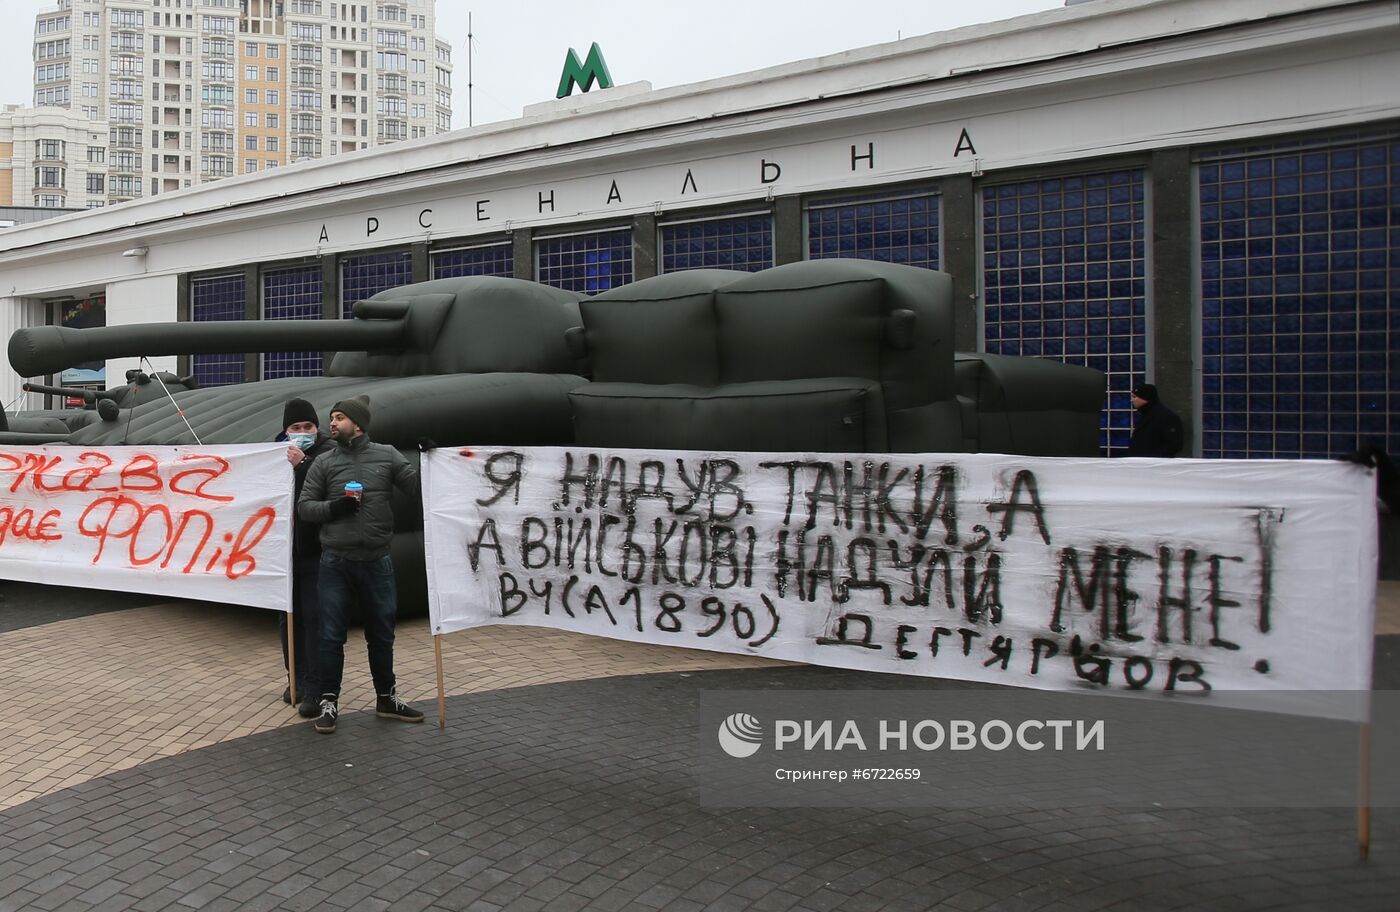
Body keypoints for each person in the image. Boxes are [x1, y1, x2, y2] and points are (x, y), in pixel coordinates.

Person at [297, 395, 424, 734]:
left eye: (339, 417)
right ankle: (329, 703)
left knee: (382, 636)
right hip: (335, 563)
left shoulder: (388, 455)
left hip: (377, 561)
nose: (333, 424)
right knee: (330, 637)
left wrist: (431, 457)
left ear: (359, 423)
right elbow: (305, 507)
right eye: (331, 418)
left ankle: (386, 698)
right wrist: (334, 509)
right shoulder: (324, 462)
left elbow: (417, 487)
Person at [278, 397, 333, 718]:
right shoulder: (273, 453)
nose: (301, 432)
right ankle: (295, 678)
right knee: (289, 620)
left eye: (307, 427)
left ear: (316, 427)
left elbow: (327, 485)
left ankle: (316, 686)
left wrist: (302, 466)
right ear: (285, 430)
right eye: (295, 427)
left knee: (315, 620)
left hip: (315, 551)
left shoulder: (327, 453)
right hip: (282, 555)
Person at [1126, 382, 1184, 457]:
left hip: (1154, 465)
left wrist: (1153, 459)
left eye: (1134, 397)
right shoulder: (1145, 414)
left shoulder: (1166, 416)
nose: (1132, 400)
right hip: (1141, 463)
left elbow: (1174, 444)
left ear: (1145, 398)